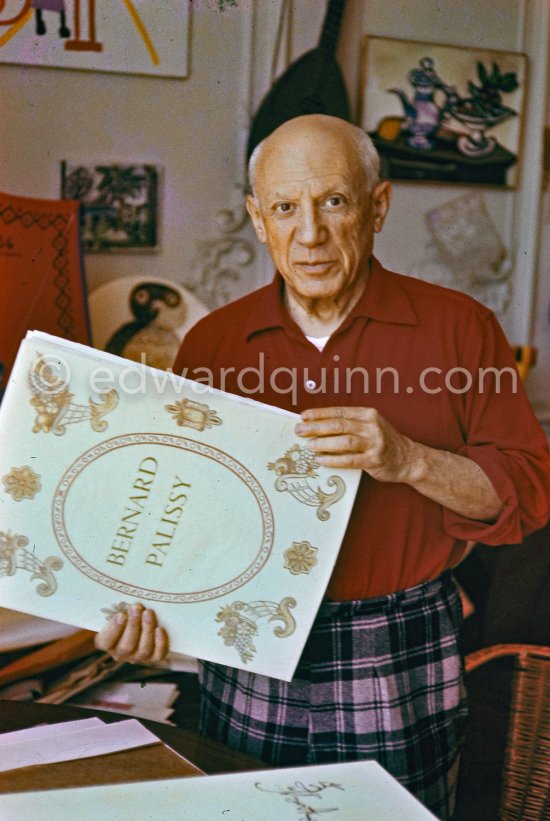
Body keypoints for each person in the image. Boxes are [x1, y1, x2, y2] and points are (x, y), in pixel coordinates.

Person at [96, 114, 550, 819]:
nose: (309, 233)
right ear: (257, 218)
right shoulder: (213, 342)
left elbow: (528, 490)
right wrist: (145, 614)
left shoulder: (461, 328)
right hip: (247, 647)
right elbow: (180, 525)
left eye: (333, 202)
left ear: (378, 206)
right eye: (285, 208)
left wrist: (410, 459)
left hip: (397, 651)